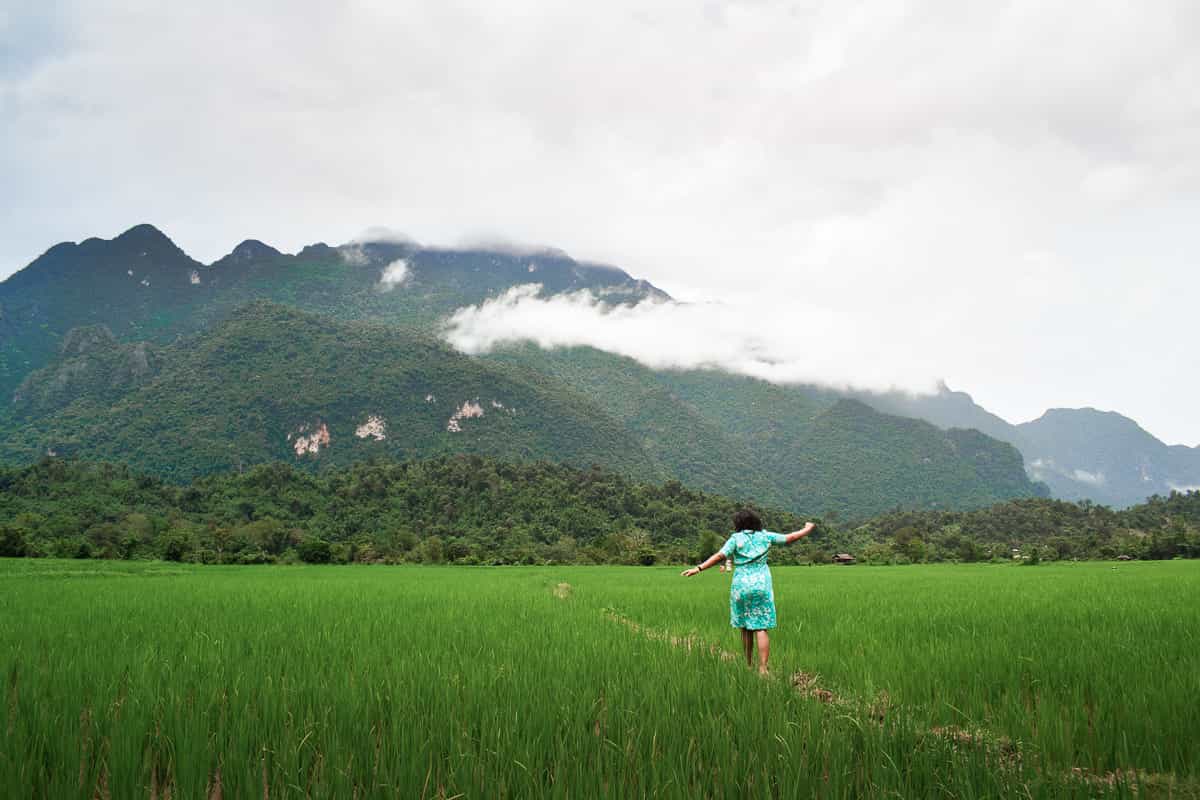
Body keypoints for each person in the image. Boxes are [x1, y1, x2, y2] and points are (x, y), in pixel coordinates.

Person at [681, 510, 815, 675]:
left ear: (738, 524)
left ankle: (748, 664)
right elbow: (790, 537)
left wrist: (698, 568)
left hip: (741, 586)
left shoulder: (736, 539)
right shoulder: (765, 536)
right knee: (761, 627)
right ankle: (763, 668)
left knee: (745, 627)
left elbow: (719, 556)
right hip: (761, 586)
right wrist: (807, 529)